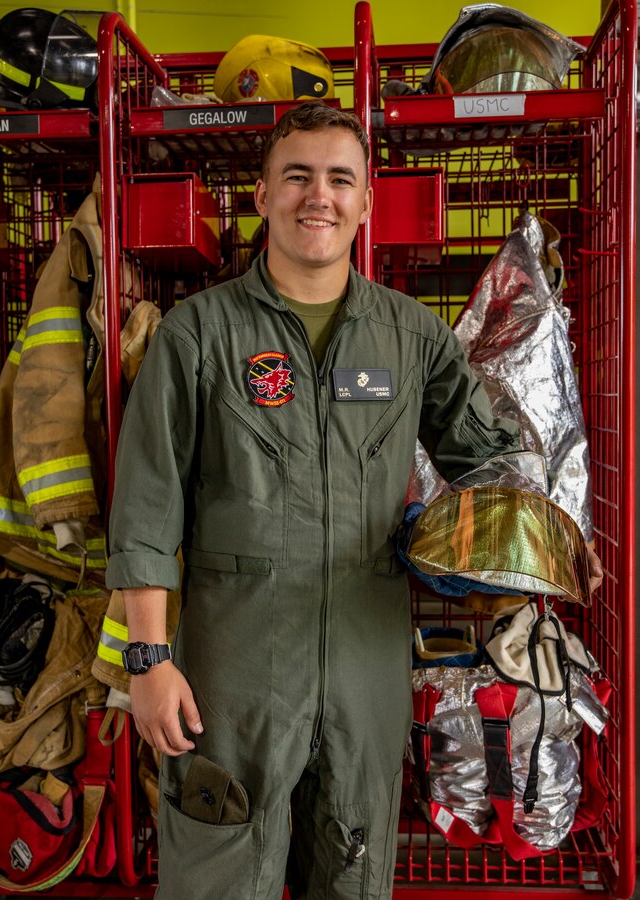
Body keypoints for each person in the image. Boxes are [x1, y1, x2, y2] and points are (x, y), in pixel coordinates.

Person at [105, 101, 603, 900]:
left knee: (355, 860)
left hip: (367, 647)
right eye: (296, 176)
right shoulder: (197, 337)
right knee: (220, 861)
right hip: (236, 655)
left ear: (365, 201)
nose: (319, 197)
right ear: (261, 195)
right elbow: (147, 508)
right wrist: (149, 659)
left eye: (340, 179)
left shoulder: (411, 338)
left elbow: (487, 463)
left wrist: (539, 537)